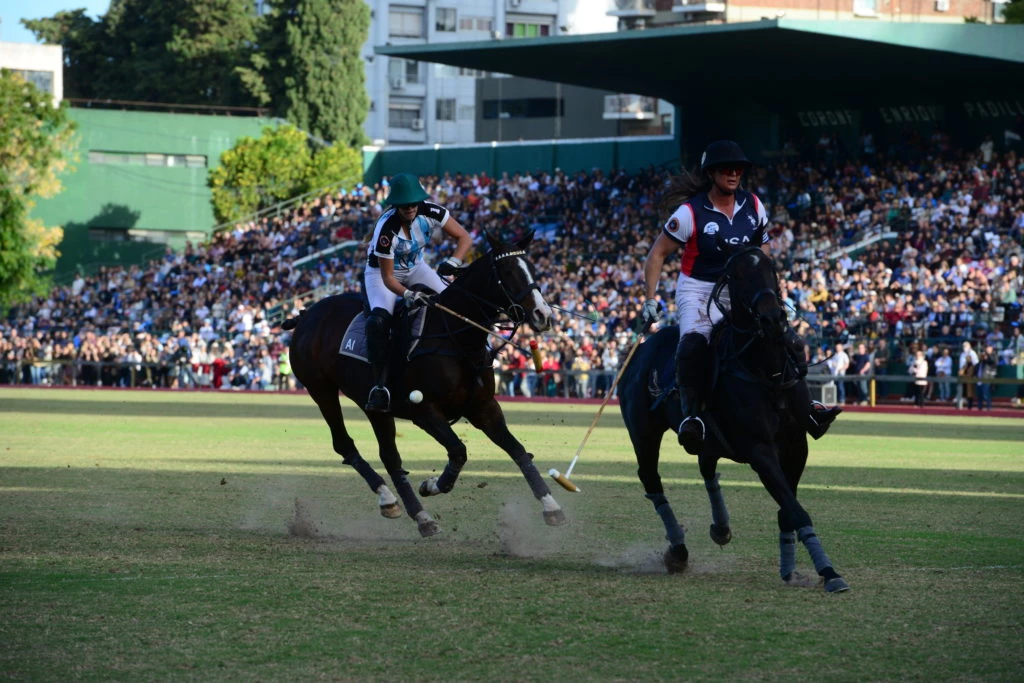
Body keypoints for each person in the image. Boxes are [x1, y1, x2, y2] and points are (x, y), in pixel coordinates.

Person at [640, 140, 840, 454]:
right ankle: (693, 418)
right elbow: (656, 254)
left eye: (738, 169)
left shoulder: (753, 205)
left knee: (789, 340)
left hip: (741, 288)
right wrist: (650, 300)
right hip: (698, 288)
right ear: (712, 173)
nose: (734, 173)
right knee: (694, 345)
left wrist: (771, 290)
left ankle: (807, 410)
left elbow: (763, 252)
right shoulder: (690, 212)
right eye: (726, 168)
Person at [363, 172, 473, 412]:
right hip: (382, 275)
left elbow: (464, 237)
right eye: (404, 205)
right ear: (396, 205)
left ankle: (472, 361)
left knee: (454, 303)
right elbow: (388, 277)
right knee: (379, 321)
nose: (410, 208)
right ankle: (379, 387)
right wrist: (408, 295)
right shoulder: (386, 230)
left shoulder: (432, 211)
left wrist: (454, 262)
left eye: (413, 203)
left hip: (417, 267)